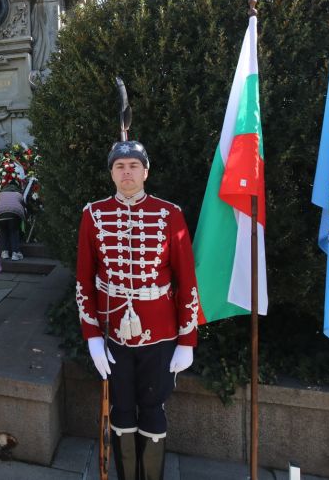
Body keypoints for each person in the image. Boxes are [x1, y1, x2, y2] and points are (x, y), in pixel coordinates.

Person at [76, 140, 199, 480]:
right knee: (121, 409)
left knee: (153, 409)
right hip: (112, 333)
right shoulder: (93, 214)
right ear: (111, 172)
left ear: (146, 171)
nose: (126, 172)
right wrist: (91, 336)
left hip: (161, 333)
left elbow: (187, 280)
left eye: (133, 165)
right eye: (119, 166)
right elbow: (84, 278)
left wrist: (188, 339)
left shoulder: (170, 214)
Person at [0, 181, 27, 261]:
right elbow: (23, 205)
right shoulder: (19, 194)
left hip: (0, 214)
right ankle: (15, 253)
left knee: (3, 232)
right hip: (14, 214)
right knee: (14, 232)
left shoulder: (1, 194)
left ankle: (4, 252)